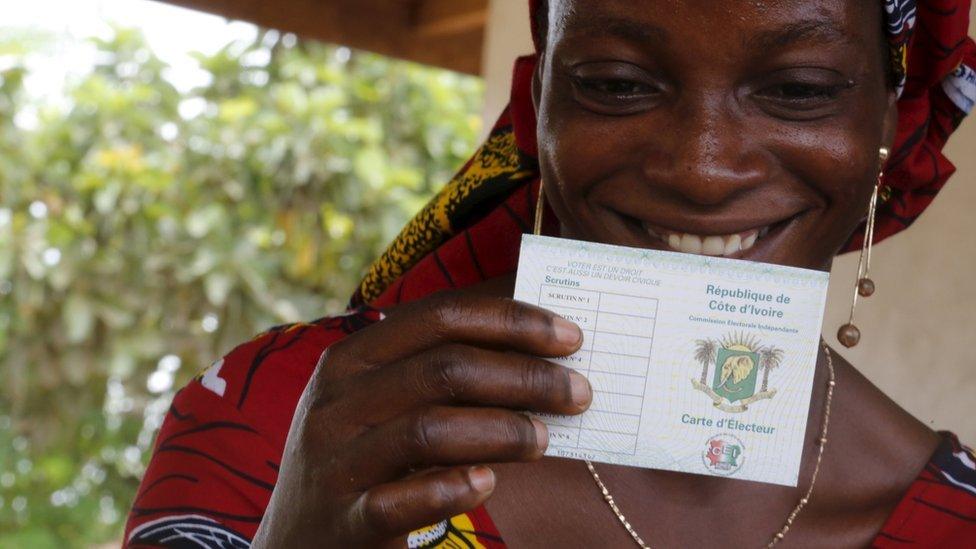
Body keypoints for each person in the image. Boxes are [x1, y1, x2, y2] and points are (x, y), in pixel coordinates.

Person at [124, 1, 976, 547]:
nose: (701, 166)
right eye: (615, 83)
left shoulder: (953, 521)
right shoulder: (290, 424)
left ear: (887, 122)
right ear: (540, 101)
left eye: (799, 88)